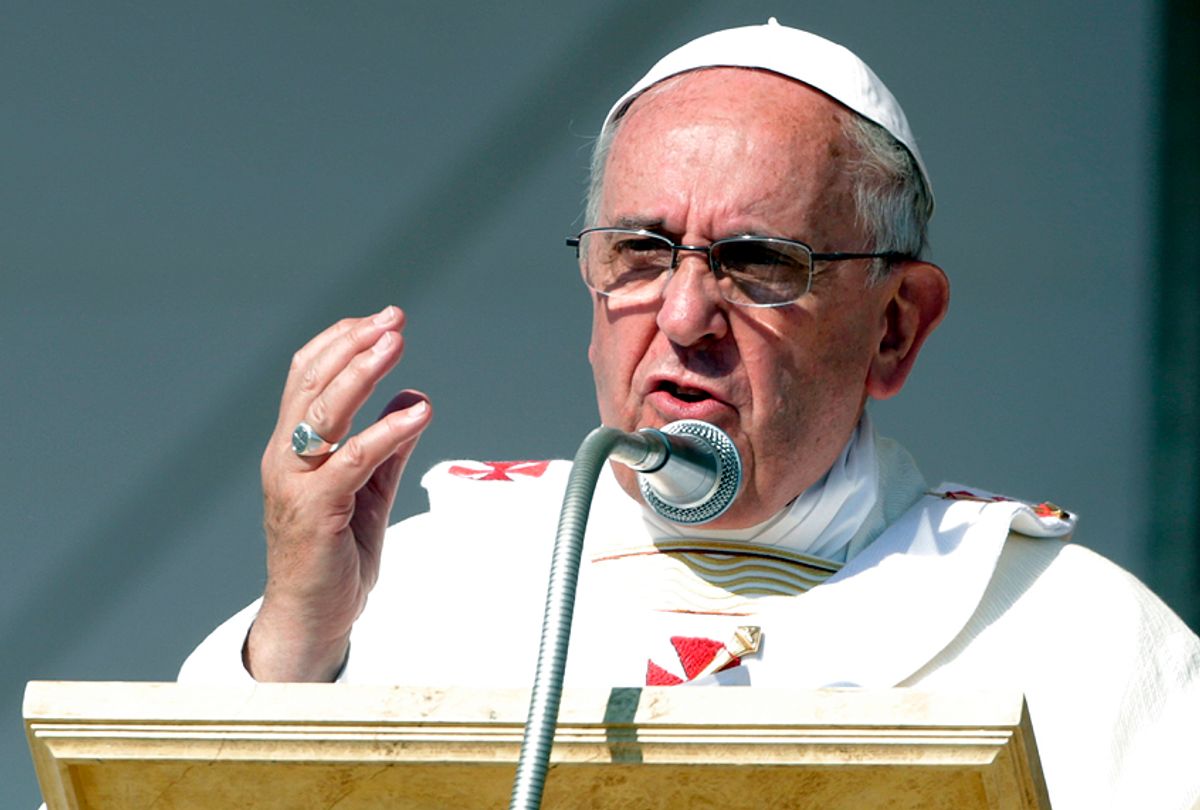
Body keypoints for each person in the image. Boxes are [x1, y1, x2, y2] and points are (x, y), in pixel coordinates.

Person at [180, 20, 1200, 809]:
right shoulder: (422, 590)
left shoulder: (1071, 637)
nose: (681, 316)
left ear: (895, 328)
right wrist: (297, 647)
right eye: (639, 251)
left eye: (758, 263)